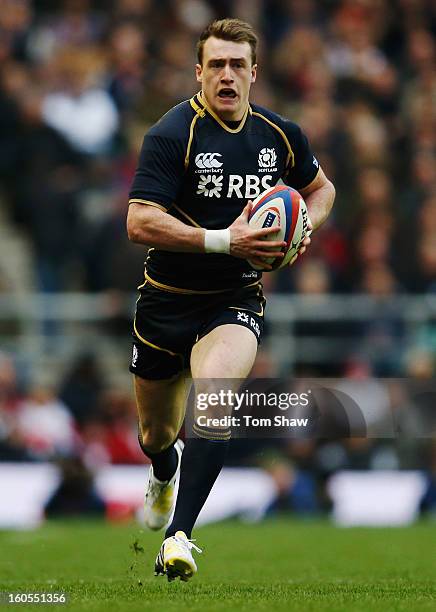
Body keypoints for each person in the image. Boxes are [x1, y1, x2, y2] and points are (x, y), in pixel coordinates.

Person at [127, 18, 335, 582]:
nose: (226, 75)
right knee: (155, 435)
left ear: (253, 73)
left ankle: (178, 539)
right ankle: (163, 471)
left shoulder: (280, 134)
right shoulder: (172, 135)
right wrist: (226, 240)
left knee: (215, 401)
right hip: (166, 301)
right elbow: (139, 221)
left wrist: (302, 233)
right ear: (198, 72)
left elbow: (321, 189)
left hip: (234, 300)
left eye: (237, 65)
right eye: (215, 64)